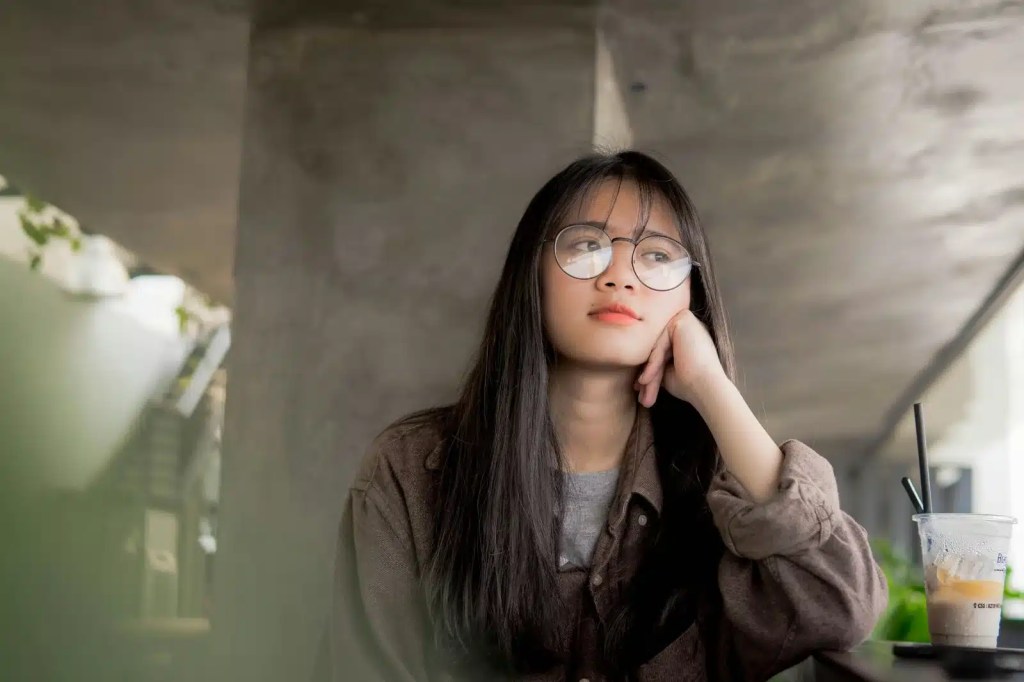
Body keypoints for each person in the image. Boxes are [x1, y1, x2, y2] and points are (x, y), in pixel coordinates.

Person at [314, 151, 888, 681]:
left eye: (658, 256)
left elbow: (842, 610)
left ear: (690, 298)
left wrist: (713, 389)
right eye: (587, 246)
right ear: (531, 275)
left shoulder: (720, 481)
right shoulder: (411, 468)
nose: (620, 276)